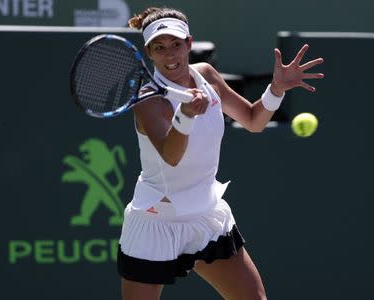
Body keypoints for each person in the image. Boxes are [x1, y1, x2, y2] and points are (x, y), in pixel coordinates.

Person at [117, 6, 324, 300]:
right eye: (159, 48)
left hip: (205, 214)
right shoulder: (148, 98)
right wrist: (185, 116)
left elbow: (253, 120)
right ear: (149, 53)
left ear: (189, 43)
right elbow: (171, 156)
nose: (170, 55)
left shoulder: (207, 76)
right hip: (156, 221)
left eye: (176, 44)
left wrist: (275, 90)